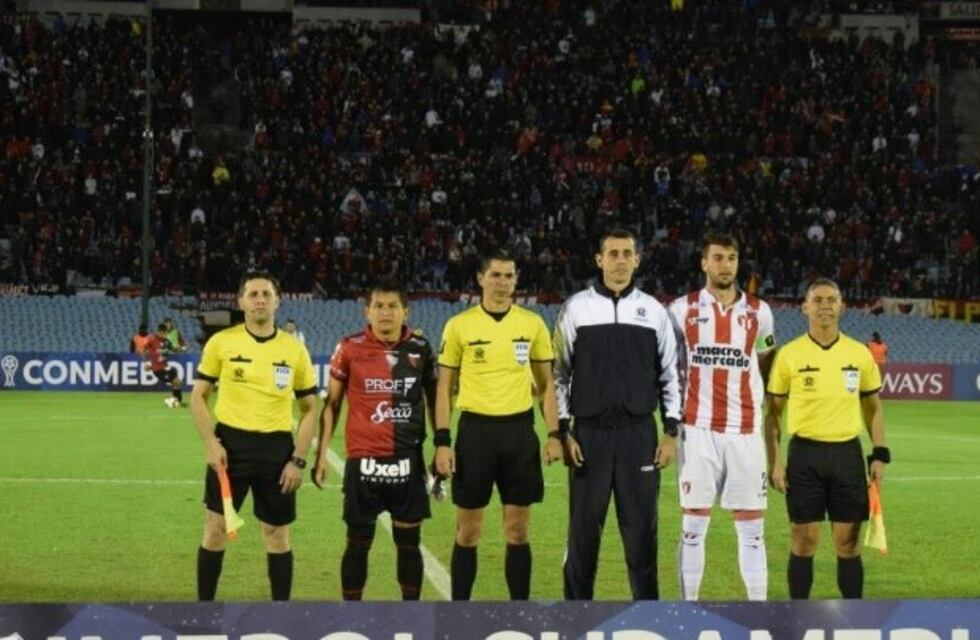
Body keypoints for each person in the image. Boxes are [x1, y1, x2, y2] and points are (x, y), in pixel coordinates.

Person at [553, 227, 682, 600]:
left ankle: (647, 615)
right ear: (599, 259)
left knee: (642, 535)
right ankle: (576, 616)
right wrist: (564, 431)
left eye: (627, 254)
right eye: (613, 254)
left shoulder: (654, 311)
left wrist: (670, 433)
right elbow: (559, 374)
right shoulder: (575, 308)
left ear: (637, 260)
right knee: (582, 535)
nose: (620, 261)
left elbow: (671, 374)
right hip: (588, 437)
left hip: (638, 436)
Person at [433, 251, 563, 601]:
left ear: (516, 280)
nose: (502, 282)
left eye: (509, 276)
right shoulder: (459, 326)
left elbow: (546, 385)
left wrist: (554, 434)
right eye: (495, 275)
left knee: (518, 531)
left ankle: (518, 610)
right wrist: (442, 441)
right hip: (475, 433)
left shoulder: (532, 324)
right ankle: (459, 611)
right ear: (481, 279)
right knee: (468, 531)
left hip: (519, 433)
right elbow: (444, 387)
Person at [190, 271, 318, 601]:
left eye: (266, 294)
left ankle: (281, 613)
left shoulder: (294, 350)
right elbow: (198, 396)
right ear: (241, 302)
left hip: (277, 449)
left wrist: (297, 460)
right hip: (230, 447)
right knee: (216, 529)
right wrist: (210, 443)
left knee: (276, 534)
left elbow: (309, 409)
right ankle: (204, 609)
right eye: (253, 294)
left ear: (278, 301)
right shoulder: (222, 342)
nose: (260, 300)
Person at [667, 232, 776, 601]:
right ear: (704, 263)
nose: (725, 265)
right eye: (717, 258)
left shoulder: (760, 312)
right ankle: (688, 608)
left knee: (753, 530)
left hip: (745, 431)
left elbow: (765, 357)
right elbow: (667, 364)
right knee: (693, 526)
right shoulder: (681, 309)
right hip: (697, 429)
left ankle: (758, 611)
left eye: (731, 258)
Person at [766, 277, 890, 599]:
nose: (824, 306)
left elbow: (873, 407)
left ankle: (854, 616)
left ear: (842, 307)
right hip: (804, 455)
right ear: (805, 307)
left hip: (847, 455)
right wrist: (775, 462)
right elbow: (773, 414)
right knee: (803, 539)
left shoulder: (859, 353)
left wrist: (879, 453)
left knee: (848, 542)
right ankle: (798, 615)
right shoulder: (790, 355)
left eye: (831, 300)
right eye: (817, 300)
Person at [312, 282, 438, 601]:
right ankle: (352, 614)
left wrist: (443, 445)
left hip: (407, 460)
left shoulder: (421, 349)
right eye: (378, 306)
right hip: (363, 461)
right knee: (357, 544)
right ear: (367, 311)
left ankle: (411, 614)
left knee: (409, 544)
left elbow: (436, 402)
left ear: (405, 312)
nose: (385, 312)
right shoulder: (349, 348)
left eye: (392, 306)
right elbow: (332, 405)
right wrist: (321, 456)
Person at [144, 322, 183, 407]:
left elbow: (173, 349)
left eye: (166, 333)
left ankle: (176, 401)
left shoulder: (166, 341)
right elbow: (144, 350)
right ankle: (176, 401)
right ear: (159, 332)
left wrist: (179, 349)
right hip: (158, 369)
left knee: (177, 382)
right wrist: (146, 362)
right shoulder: (151, 339)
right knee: (176, 381)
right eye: (163, 333)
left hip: (165, 366)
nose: (165, 335)